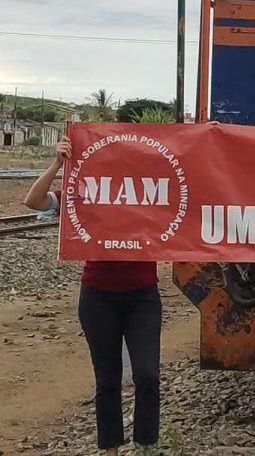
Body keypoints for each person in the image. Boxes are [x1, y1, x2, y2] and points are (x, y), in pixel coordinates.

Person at [23, 136, 161, 456]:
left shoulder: (153, 197)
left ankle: (145, 446)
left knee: (147, 374)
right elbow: (34, 201)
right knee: (107, 380)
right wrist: (58, 164)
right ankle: (110, 451)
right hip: (98, 298)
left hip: (143, 298)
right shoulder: (83, 195)